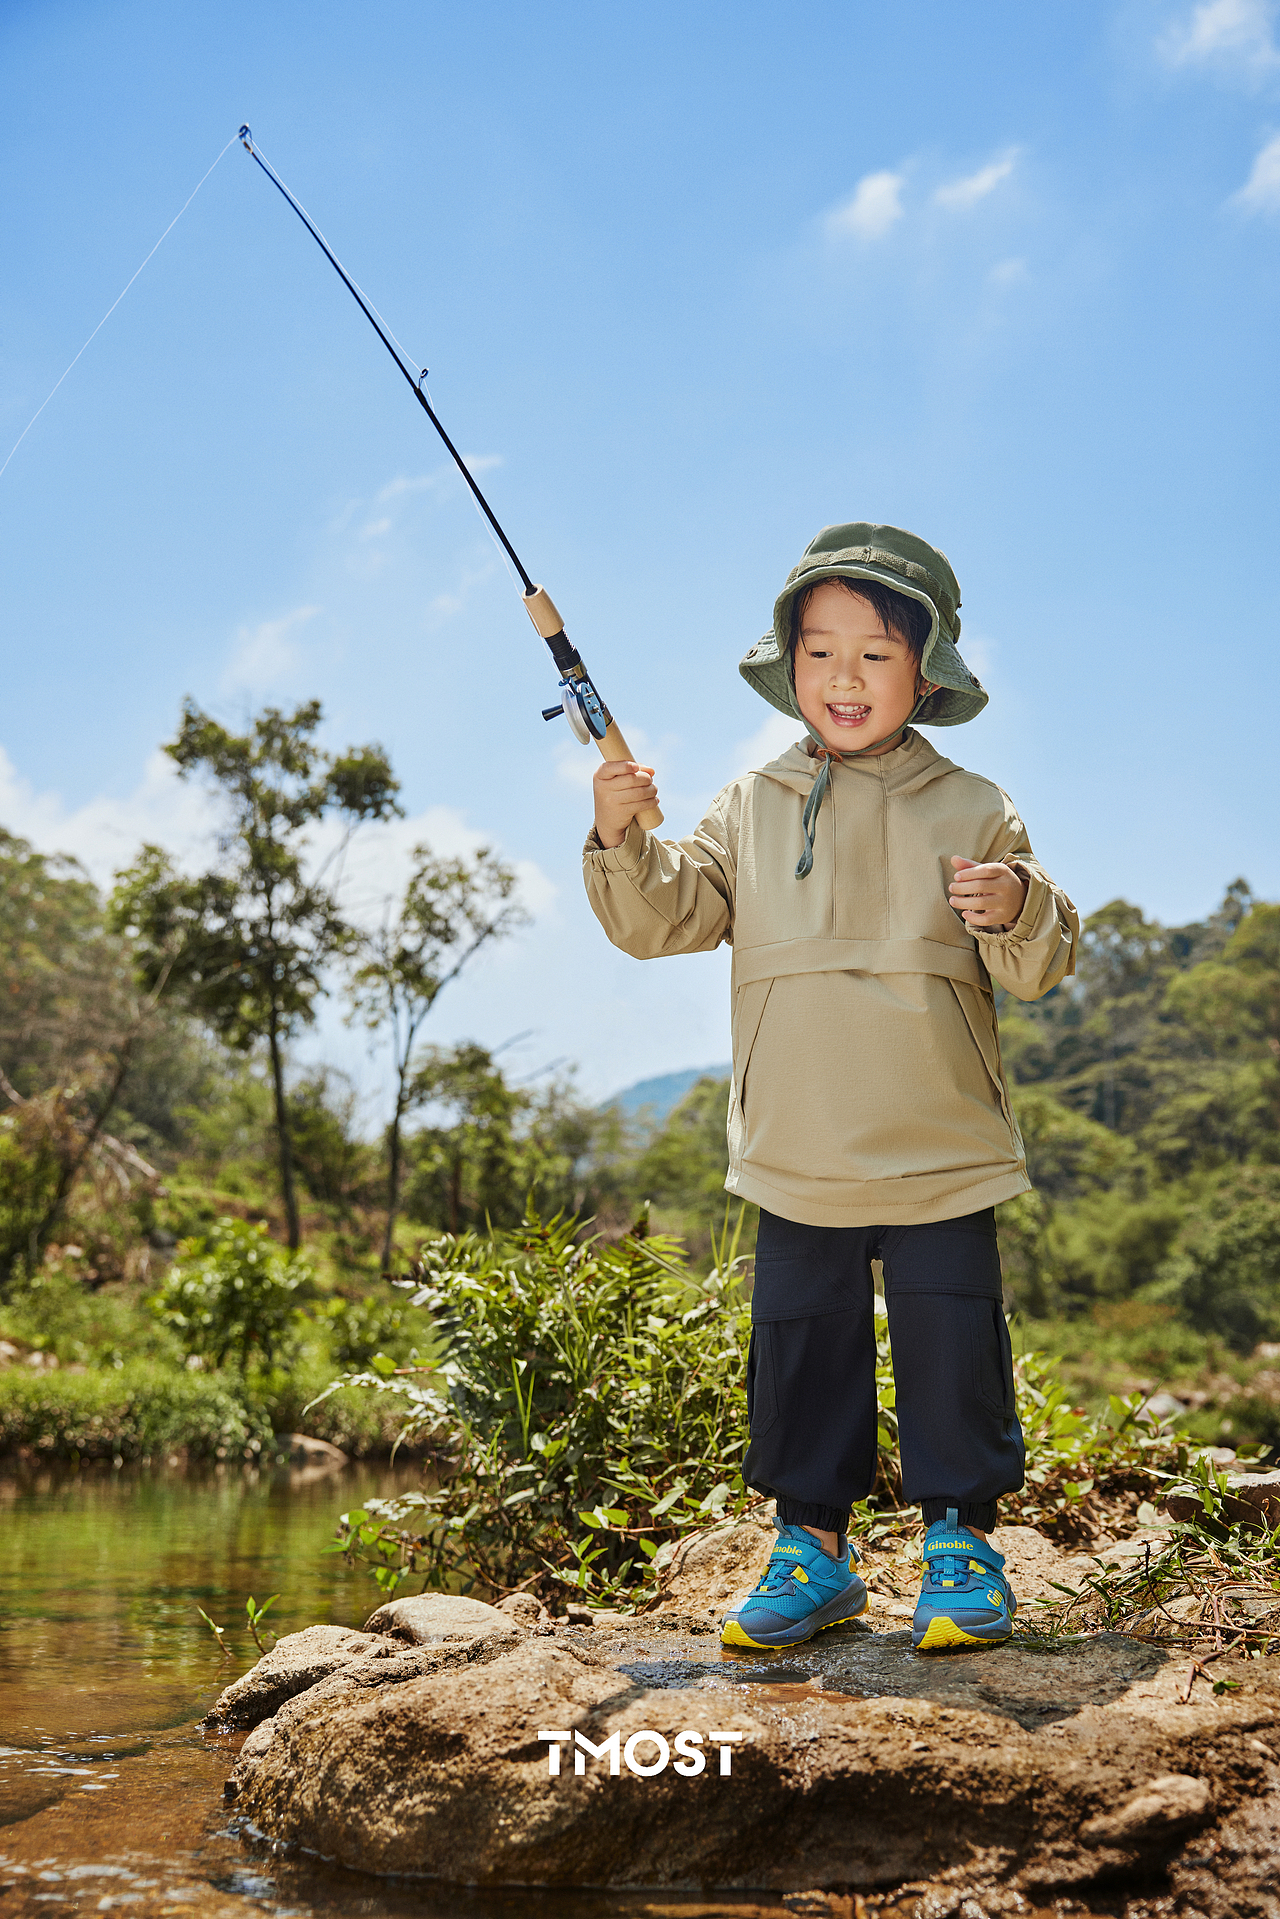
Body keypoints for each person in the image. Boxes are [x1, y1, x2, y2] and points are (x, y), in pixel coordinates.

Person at [582, 522, 1078, 1653]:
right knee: (800, 1341)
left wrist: (1015, 903)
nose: (842, 678)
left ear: (924, 670)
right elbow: (664, 914)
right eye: (818, 652)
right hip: (794, 1140)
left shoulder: (973, 804)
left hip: (938, 1133)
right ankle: (811, 1549)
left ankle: (960, 1542)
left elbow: (1035, 957)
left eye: (872, 654)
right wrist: (617, 831)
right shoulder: (747, 803)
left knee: (951, 1343)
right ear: (786, 664)